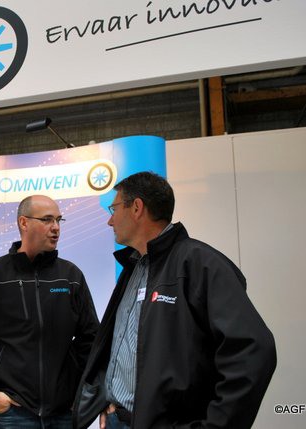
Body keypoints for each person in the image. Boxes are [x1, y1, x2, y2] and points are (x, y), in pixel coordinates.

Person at [72, 172, 277, 429]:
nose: (110, 220)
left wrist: (217, 424)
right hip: (117, 419)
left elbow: (253, 349)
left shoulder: (199, 263)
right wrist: (109, 404)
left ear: (137, 208)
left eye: (114, 209)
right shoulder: (134, 267)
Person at [0, 194, 100, 428]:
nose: (56, 227)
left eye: (59, 220)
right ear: (24, 222)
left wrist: (80, 391)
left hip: (63, 414)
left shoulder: (71, 276)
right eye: (47, 219)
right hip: (12, 413)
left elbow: (91, 339)